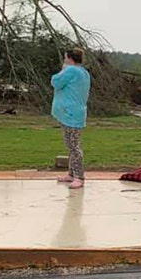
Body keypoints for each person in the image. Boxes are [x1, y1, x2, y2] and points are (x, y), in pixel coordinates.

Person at [51, 48, 91, 189]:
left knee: (74, 147)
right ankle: (71, 174)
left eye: (65, 57)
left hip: (71, 114)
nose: (64, 60)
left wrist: (63, 70)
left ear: (69, 58)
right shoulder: (84, 72)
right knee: (70, 145)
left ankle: (79, 177)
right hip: (73, 113)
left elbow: (55, 82)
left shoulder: (71, 71)